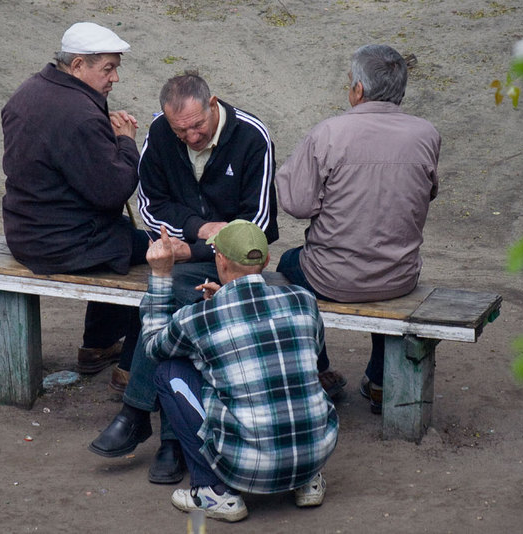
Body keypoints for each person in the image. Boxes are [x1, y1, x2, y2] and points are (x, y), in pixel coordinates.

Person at [91, 71, 315, 485]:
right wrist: (199, 228)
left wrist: (193, 246)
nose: (191, 137)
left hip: (242, 258)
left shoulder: (252, 136)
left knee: (177, 294)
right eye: (181, 130)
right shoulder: (160, 133)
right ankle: (170, 439)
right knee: (183, 294)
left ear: (213, 104)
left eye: (197, 126)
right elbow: (152, 206)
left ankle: (142, 415)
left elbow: (259, 224)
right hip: (188, 249)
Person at [275, 44, 441, 415]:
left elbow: (298, 205)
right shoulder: (426, 134)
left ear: (359, 90)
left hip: (332, 278)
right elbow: (426, 194)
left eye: (350, 83)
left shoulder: (329, 133)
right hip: (400, 275)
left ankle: (317, 371)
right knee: (382, 275)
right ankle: (381, 380)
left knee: (288, 263)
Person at [142, 220, 339, 522]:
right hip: (316, 452)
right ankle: (306, 480)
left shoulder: (200, 318)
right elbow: (310, 352)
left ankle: (213, 491)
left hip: (248, 466)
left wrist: (160, 274)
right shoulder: (303, 300)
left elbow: (154, 345)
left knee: (169, 372)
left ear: (219, 258)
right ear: (267, 260)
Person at [1, 22, 153, 389]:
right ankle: (131, 368)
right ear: (78, 65)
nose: (115, 77)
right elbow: (113, 190)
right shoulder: (79, 115)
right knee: (161, 256)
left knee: (123, 238)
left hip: (24, 231)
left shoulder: (28, 92)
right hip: (61, 243)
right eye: (108, 68)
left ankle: (98, 346)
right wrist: (126, 142)